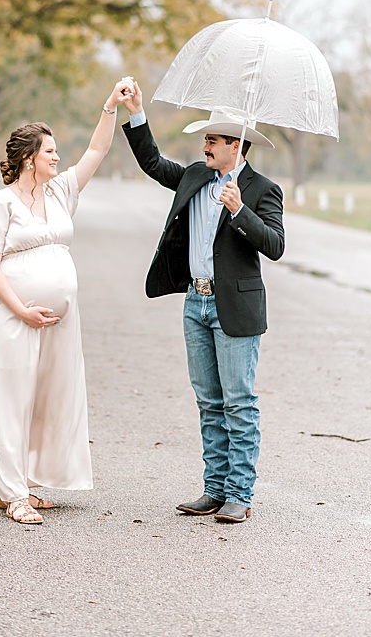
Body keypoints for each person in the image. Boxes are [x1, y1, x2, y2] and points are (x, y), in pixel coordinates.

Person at [0, 81, 131, 526]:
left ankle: (20, 486)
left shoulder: (60, 193)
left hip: (60, 318)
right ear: (28, 159)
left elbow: (96, 151)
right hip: (15, 315)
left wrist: (110, 106)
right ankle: (12, 495)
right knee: (13, 398)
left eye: (57, 152)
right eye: (50, 152)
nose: (57, 158)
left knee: (47, 400)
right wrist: (22, 309)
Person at [120, 83, 285, 524]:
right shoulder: (195, 175)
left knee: (239, 402)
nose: (205, 146)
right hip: (196, 301)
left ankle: (239, 494)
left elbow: (275, 246)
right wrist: (136, 112)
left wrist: (239, 211)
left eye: (212, 140)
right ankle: (214, 490)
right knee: (208, 401)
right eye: (205, 140)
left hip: (235, 309)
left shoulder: (262, 190)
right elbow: (153, 163)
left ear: (236, 145)